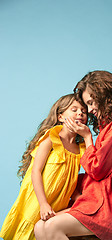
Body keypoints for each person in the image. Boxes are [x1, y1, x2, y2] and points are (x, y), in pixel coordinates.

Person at [34, 70, 112, 240]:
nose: (89, 110)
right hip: (99, 202)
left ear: (106, 96)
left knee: (51, 226)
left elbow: (97, 169)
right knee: (40, 226)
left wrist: (88, 137)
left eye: (90, 103)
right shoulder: (110, 127)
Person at [0, 94, 88, 240]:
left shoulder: (80, 149)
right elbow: (35, 171)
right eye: (74, 109)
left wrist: (79, 197)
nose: (80, 113)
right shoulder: (51, 139)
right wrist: (43, 204)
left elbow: (69, 180)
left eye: (83, 112)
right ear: (60, 117)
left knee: (46, 232)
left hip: (58, 204)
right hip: (38, 201)